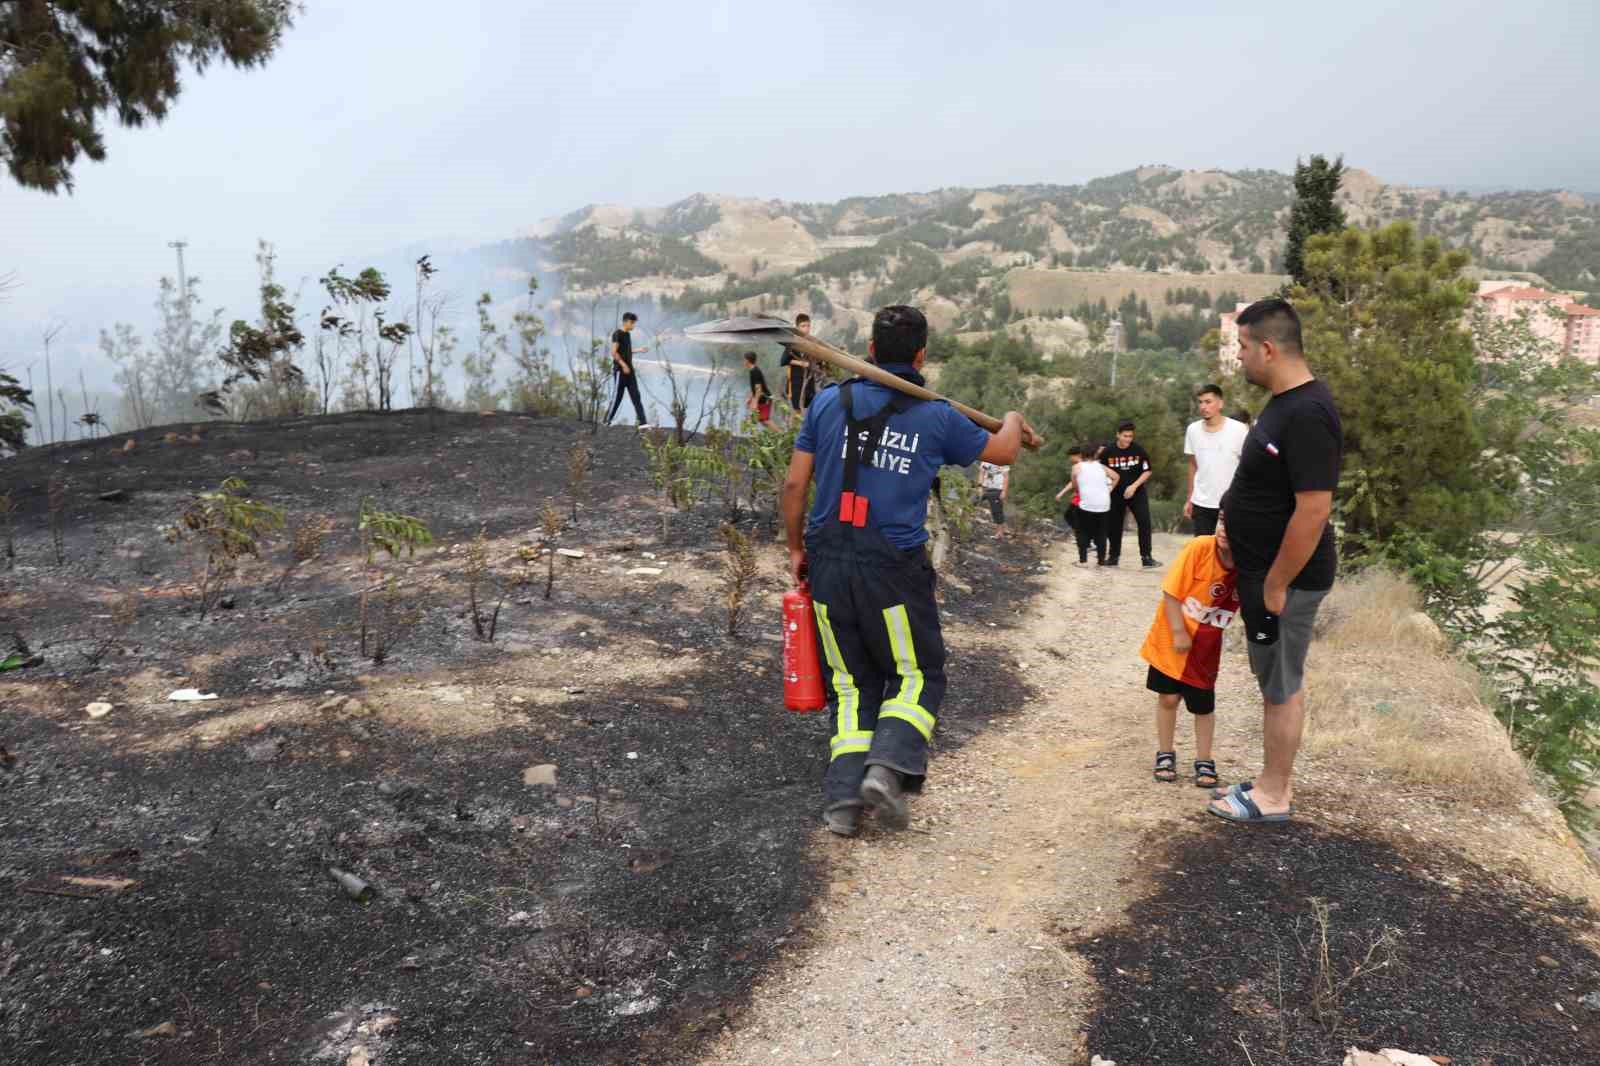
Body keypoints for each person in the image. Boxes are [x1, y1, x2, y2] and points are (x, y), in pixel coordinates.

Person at [781, 305, 1029, 837]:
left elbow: (794, 487)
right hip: (892, 569)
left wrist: (797, 550)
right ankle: (888, 768)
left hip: (827, 562)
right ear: (921, 355)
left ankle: (844, 801)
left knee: (848, 684)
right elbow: (1004, 452)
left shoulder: (827, 403)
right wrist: (1011, 419)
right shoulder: (936, 416)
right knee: (916, 674)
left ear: (869, 351)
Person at [1210, 298, 1342, 825]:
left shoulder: (1308, 413)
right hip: (1264, 572)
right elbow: (1266, 488)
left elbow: (1313, 510)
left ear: (1267, 347)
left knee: (1281, 684)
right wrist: (1228, 521)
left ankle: (1273, 795)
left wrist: (1276, 584)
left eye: (1242, 347)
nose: (1239, 357)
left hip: (1284, 580)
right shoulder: (1285, 402)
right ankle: (1270, 778)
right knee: (1272, 680)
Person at [1140, 514, 1240, 790]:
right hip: (1173, 637)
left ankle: (1204, 759)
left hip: (1206, 646)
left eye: (1233, 524)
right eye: (1221, 520)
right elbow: (1171, 593)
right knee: (1169, 698)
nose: (1224, 529)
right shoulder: (1199, 548)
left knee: (1203, 705)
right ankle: (1165, 753)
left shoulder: (1251, 562)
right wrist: (1178, 632)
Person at [1184, 384, 1249, 536]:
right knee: (1203, 551)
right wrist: (1189, 499)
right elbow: (1193, 465)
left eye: (1208, 402)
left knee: (1231, 551)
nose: (1203, 406)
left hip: (1232, 503)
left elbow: (1247, 466)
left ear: (1220, 403)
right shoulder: (1192, 430)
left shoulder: (1239, 429)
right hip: (1201, 503)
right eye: (1200, 402)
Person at [1103, 420, 1159, 568]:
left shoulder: (1138, 450)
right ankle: (1113, 557)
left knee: (1144, 522)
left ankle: (1146, 557)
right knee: (1114, 525)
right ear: (1118, 435)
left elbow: (1147, 471)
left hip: (1136, 492)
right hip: (1115, 494)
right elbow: (1100, 470)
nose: (1128, 439)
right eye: (1125, 436)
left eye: (1130, 436)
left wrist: (1134, 486)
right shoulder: (1108, 452)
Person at [1059, 442, 1116, 568]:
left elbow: (1075, 485)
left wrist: (1081, 489)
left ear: (1082, 454)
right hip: (1104, 504)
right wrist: (1109, 489)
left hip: (1086, 505)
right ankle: (1101, 561)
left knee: (1082, 531)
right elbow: (1116, 477)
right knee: (1101, 533)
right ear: (1095, 454)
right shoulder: (1102, 467)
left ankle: (1083, 561)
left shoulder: (1077, 467)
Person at [605, 312, 651, 427]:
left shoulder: (627, 335)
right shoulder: (617, 334)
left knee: (636, 395)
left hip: (630, 371)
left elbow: (626, 351)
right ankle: (607, 421)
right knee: (617, 397)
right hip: (620, 371)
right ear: (626, 322)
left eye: (634, 323)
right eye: (632, 323)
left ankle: (643, 423)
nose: (633, 326)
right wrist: (623, 365)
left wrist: (639, 350)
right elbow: (614, 352)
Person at [780, 313, 820, 411]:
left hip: (809, 382)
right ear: (797, 327)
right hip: (796, 382)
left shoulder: (812, 342)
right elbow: (783, 361)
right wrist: (801, 363)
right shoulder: (793, 342)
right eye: (803, 326)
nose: (806, 328)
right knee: (797, 410)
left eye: (808, 326)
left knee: (811, 409)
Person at [978, 459, 1010, 539]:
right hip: (985, 487)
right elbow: (981, 473)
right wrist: (979, 487)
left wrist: (1004, 491)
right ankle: (960, 524)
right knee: (971, 502)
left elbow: (1006, 477)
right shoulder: (986, 460)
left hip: (997, 489)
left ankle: (999, 533)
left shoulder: (1003, 461)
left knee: (997, 511)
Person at [744, 351, 773, 428]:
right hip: (762, 398)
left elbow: (758, 389)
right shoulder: (753, 370)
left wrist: (755, 402)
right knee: (759, 420)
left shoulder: (755, 372)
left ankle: (782, 436)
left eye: (744, 360)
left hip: (765, 398)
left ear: (747, 360)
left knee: (764, 420)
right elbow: (754, 388)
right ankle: (777, 436)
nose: (743, 362)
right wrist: (749, 398)